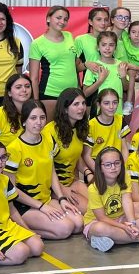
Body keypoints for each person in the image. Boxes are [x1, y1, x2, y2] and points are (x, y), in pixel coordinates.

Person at [5, 100, 83, 239]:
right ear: (24, 121)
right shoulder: (14, 149)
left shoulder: (48, 140)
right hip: (25, 205)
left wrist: (61, 199)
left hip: (46, 199)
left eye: (42, 118)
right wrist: (41, 207)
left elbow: (51, 171)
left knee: (78, 224)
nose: (38, 122)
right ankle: (20, 227)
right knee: (65, 229)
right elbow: (10, 189)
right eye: (33, 118)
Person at [84, 147, 139, 252]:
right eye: (108, 165)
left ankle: (109, 239)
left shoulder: (125, 177)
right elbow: (102, 218)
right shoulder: (93, 188)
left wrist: (132, 224)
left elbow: (127, 201)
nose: (113, 167)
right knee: (101, 228)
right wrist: (124, 227)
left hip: (120, 217)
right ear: (100, 168)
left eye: (117, 163)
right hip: (97, 222)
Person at [28, 6, 81, 122]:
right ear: (48, 19)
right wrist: (36, 102)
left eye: (65, 19)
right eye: (58, 18)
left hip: (72, 94)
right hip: (50, 93)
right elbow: (34, 77)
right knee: (49, 132)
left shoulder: (69, 36)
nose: (62, 22)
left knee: (69, 132)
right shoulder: (37, 43)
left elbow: (73, 65)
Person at [44, 88, 89, 214]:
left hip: (71, 182)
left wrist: (87, 172)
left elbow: (75, 155)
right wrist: (62, 189)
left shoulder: (80, 127)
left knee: (99, 204)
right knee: (88, 210)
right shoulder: (50, 132)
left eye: (83, 103)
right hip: (53, 188)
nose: (82, 108)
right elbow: (44, 167)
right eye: (76, 104)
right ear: (64, 109)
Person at [83, 31, 139, 117]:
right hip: (99, 115)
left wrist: (123, 77)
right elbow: (85, 93)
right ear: (98, 47)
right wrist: (100, 81)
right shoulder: (94, 66)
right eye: (104, 45)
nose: (107, 48)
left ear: (115, 48)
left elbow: (126, 88)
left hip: (118, 113)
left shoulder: (120, 65)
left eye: (111, 45)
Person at [83, 89, 131, 171]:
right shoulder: (91, 125)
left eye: (115, 102)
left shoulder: (120, 120)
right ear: (99, 104)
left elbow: (124, 149)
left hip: (116, 164)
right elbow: (86, 156)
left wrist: (123, 169)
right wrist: (100, 173)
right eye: (106, 103)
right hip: (97, 166)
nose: (111, 107)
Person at [75, 7, 110, 105]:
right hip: (90, 88)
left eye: (106, 20)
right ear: (90, 21)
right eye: (99, 19)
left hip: (110, 86)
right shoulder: (81, 40)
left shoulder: (113, 39)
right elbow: (74, 68)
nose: (103, 23)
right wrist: (86, 64)